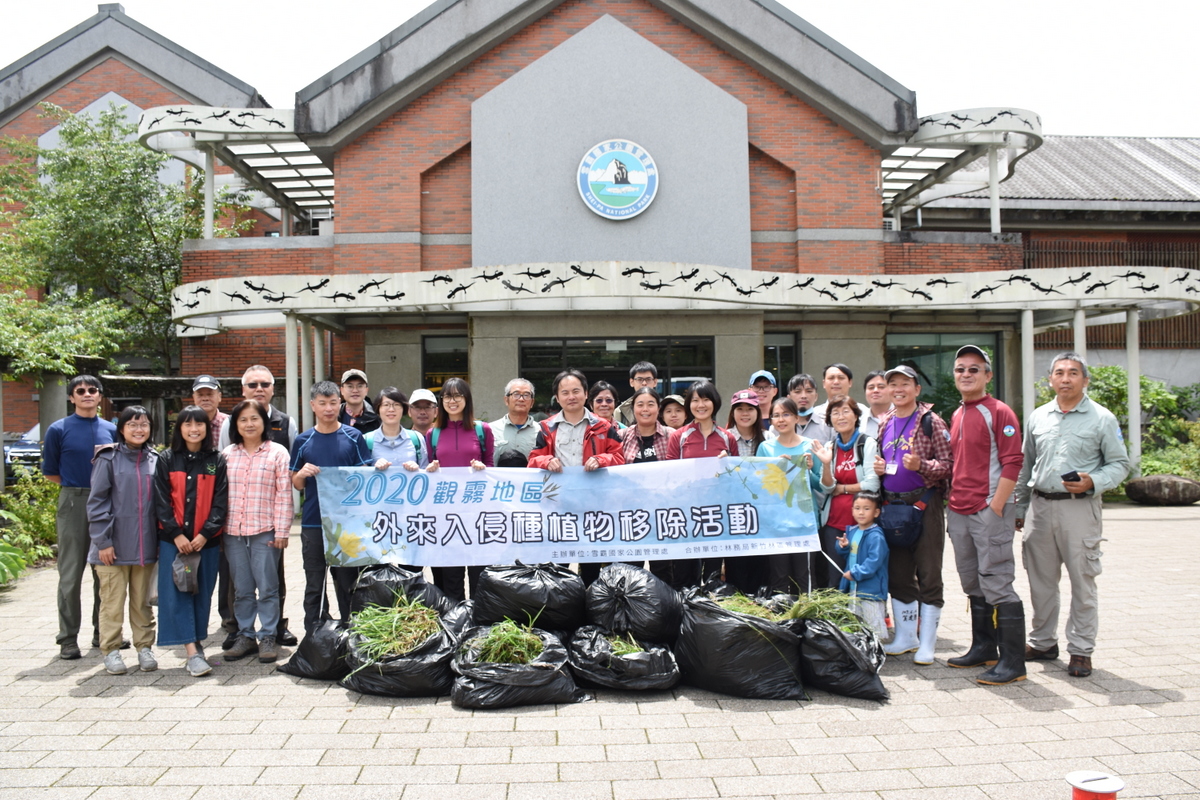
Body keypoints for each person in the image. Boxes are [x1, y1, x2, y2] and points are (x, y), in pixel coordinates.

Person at [1016, 352, 1129, 679]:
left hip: (1079, 509)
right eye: (1059, 373)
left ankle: (1080, 650)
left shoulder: (1102, 418)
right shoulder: (1038, 417)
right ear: (1050, 379)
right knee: (1040, 581)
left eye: (1073, 373)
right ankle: (1042, 642)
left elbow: (1120, 464)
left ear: (1085, 380)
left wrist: (1094, 481)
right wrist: (1020, 507)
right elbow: (1027, 466)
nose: (1066, 378)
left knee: (1083, 581)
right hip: (1040, 507)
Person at [945, 345, 1026, 686]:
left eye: (974, 369)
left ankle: (1013, 663)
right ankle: (984, 647)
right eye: (961, 369)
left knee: (997, 581)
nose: (966, 374)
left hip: (988, 509)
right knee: (972, 581)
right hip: (960, 509)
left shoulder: (1000, 412)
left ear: (988, 376)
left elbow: (1014, 461)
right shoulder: (958, 413)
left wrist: (997, 505)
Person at [873, 365, 953, 665]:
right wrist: (880, 470)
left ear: (917, 389)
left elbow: (949, 464)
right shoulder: (886, 421)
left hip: (925, 504)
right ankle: (906, 636)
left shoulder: (931, 421)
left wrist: (922, 466)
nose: (898, 389)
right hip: (892, 506)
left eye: (904, 383)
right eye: (892, 383)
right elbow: (884, 461)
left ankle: (928, 644)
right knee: (899, 574)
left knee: (929, 573)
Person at [217, 365, 298, 649]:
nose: (249, 424)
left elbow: (284, 494)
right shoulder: (227, 455)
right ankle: (245, 635)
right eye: (243, 420)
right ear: (235, 425)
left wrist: (283, 530)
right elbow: (220, 495)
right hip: (234, 531)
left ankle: (268, 636)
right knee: (241, 588)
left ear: (264, 422)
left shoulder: (278, 452)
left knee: (268, 587)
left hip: (266, 530)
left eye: (254, 419)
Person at [290, 381, 377, 631]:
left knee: (347, 582)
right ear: (313, 406)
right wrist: (303, 474)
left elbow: (364, 475)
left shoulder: (354, 436)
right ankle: (314, 635)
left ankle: (352, 633)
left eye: (332, 402)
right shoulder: (303, 441)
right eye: (322, 403)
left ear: (340, 403)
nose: (328, 408)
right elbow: (295, 483)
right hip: (313, 522)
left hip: (347, 524)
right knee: (314, 582)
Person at [43, 374, 118, 660]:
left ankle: (104, 633)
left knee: (106, 571)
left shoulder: (111, 429)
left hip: (107, 502)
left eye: (92, 390)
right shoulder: (57, 429)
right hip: (73, 499)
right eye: (80, 390)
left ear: (100, 396)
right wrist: (79, 489)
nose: (87, 394)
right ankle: (68, 638)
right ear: (72, 397)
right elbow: (51, 471)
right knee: (71, 573)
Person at [529, 370, 625, 583]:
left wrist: (602, 460)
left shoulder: (603, 427)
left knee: (590, 565)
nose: (571, 396)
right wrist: (546, 461)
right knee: (558, 564)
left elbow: (619, 458)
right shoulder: (546, 427)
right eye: (565, 392)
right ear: (558, 396)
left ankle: (591, 608)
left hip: (593, 507)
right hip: (559, 507)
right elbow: (533, 460)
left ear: (585, 394)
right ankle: (561, 611)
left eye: (576, 391)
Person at [154, 406, 228, 678]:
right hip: (174, 544)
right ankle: (192, 652)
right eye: (188, 424)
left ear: (208, 429)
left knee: (201, 593)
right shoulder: (166, 459)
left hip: (205, 544)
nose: (194, 429)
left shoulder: (216, 460)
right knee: (179, 594)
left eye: (200, 424)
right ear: (180, 428)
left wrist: (204, 534)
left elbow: (221, 503)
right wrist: (177, 534)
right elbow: (161, 502)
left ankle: (196, 645)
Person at [87, 406, 159, 675]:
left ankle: (144, 648)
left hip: (145, 546)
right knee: (112, 603)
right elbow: (96, 503)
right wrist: (103, 541)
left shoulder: (156, 459)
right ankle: (111, 650)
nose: (139, 429)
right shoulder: (108, 458)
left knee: (142, 603)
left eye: (144, 424)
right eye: (132, 424)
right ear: (121, 428)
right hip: (111, 548)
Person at [661, 380, 737, 588]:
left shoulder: (727, 438)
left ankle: (709, 614)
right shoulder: (679, 436)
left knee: (712, 573)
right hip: (686, 514)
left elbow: (737, 477)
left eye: (705, 399)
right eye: (695, 400)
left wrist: (728, 464)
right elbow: (670, 474)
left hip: (715, 514)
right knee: (684, 574)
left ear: (715, 403)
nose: (700, 405)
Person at [425, 377, 494, 602]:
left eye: (457, 395)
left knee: (479, 574)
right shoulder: (432, 434)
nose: (452, 401)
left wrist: (483, 469)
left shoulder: (482, 430)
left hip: (476, 514)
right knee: (451, 576)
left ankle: (478, 624)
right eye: (447, 396)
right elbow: (430, 468)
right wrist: (432, 469)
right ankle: (455, 622)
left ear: (467, 399)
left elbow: (491, 467)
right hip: (446, 515)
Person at [756, 397, 824, 593]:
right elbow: (759, 488)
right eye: (776, 415)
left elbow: (819, 486)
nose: (781, 420)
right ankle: (782, 621)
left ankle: (808, 621)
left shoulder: (810, 446)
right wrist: (775, 467)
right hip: (777, 523)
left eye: (786, 414)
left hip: (805, 522)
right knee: (779, 577)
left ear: (796, 418)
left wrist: (809, 470)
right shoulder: (765, 448)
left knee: (806, 577)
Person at [813, 396, 880, 589]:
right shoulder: (829, 447)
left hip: (862, 524)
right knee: (835, 580)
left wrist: (841, 488)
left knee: (862, 578)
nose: (840, 417)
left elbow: (872, 484)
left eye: (845, 411)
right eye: (835, 413)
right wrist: (826, 464)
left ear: (856, 415)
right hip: (833, 523)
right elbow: (826, 487)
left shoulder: (866, 444)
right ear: (830, 419)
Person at [724, 388, 768, 593]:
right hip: (733, 513)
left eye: (750, 408)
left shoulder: (769, 438)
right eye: (739, 408)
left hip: (762, 514)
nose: (745, 413)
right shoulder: (725, 438)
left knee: (761, 565)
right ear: (732, 413)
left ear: (758, 412)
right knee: (737, 566)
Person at [835, 492, 889, 639]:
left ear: (876, 512)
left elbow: (874, 561)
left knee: (873, 622)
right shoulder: (852, 531)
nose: (861, 512)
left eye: (866, 508)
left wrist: (855, 573)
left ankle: (877, 650)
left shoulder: (876, 535)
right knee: (857, 621)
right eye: (857, 508)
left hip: (871, 590)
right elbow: (848, 554)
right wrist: (843, 546)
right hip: (854, 587)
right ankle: (865, 650)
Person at [365, 387, 428, 471]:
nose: (391, 409)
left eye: (396, 405)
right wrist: (374, 469)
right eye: (386, 405)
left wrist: (417, 470)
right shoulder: (366, 440)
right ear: (378, 409)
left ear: (403, 409)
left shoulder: (416, 438)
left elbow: (426, 473)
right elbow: (361, 476)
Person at [490, 379, 538, 464]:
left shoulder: (541, 431)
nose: (521, 399)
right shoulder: (490, 430)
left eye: (526, 395)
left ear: (532, 402)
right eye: (516, 394)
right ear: (506, 400)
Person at [620, 387, 671, 465]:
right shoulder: (622, 436)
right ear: (633, 409)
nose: (645, 409)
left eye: (650, 405)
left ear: (658, 409)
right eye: (640, 405)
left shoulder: (671, 435)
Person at [785, 374, 833, 443]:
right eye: (797, 392)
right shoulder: (780, 425)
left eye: (809, 391)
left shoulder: (828, 425)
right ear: (789, 398)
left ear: (816, 397)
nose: (803, 396)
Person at [615, 361, 658, 427]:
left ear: (655, 382)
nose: (644, 383)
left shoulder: (665, 408)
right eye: (639, 379)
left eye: (648, 379)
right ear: (631, 382)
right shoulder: (620, 411)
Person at [191, 374, 228, 450]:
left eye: (210, 394)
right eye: (200, 395)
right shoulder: (186, 423)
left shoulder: (229, 423)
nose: (205, 399)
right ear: (194, 398)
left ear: (219, 397)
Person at [338, 369, 380, 433]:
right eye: (350, 386)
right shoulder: (333, 415)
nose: (355, 390)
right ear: (342, 390)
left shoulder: (376, 417)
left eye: (360, 386)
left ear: (366, 390)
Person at [861, 370, 891, 438]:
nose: (875, 390)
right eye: (871, 388)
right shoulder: (859, 422)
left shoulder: (903, 418)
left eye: (881, 387)